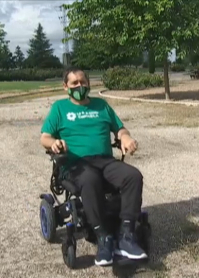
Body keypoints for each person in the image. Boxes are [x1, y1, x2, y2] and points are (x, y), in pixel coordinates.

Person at [40, 66, 147, 266]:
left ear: (88, 84)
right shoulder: (59, 108)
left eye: (83, 82)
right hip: (75, 165)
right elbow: (45, 137)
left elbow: (120, 128)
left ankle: (126, 236)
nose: (79, 86)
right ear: (65, 87)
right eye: (74, 83)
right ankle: (103, 238)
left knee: (133, 176)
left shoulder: (101, 106)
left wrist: (125, 137)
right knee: (90, 180)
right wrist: (54, 143)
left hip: (105, 161)